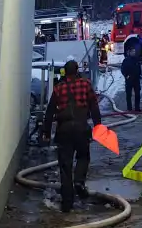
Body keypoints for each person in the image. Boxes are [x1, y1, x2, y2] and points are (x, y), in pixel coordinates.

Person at [40, 59, 103, 213]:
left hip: (64, 131)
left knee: (65, 167)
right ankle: (79, 182)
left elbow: (49, 113)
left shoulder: (58, 88)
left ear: (64, 72)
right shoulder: (86, 84)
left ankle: (67, 204)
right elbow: (94, 106)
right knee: (83, 156)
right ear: (77, 71)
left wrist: (46, 133)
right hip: (82, 129)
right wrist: (98, 126)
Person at [121, 46, 142, 112]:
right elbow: (123, 69)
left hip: (136, 79)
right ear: (129, 52)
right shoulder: (126, 60)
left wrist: (140, 74)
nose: (134, 53)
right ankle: (129, 108)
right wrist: (126, 76)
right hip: (129, 80)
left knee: (137, 94)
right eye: (132, 51)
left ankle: (137, 108)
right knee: (128, 94)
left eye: (134, 51)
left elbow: (139, 67)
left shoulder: (136, 59)